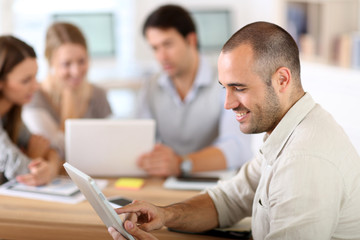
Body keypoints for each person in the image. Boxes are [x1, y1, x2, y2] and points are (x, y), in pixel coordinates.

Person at [109, 21, 360, 239]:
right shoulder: (285, 132)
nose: (228, 104)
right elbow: (228, 200)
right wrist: (166, 214)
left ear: (282, 80)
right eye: (224, 88)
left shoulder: (305, 161)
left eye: (239, 88)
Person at [136, 4, 252, 177]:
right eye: (155, 48)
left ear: (191, 40)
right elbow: (139, 142)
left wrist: (181, 163)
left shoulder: (225, 83)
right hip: (165, 182)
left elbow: (237, 147)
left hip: (215, 183)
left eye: (167, 44)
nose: (162, 56)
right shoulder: (151, 86)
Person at [22, 22, 112, 158]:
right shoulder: (34, 98)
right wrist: (69, 98)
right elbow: (62, 152)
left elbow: (110, 143)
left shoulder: (97, 94)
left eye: (82, 61)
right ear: (51, 62)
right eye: (66, 64)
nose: (76, 72)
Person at [0, 36, 62, 186]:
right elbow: (24, 172)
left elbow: (52, 151)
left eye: (35, 77)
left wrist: (50, 167)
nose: (36, 86)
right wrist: (36, 157)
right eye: (26, 80)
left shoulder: (10, 115)